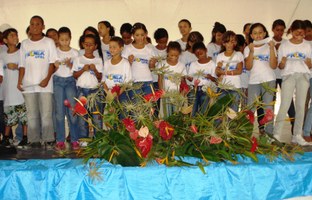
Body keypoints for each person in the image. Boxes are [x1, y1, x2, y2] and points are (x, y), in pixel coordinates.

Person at [17, 15, 57, 148]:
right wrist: (19, 81)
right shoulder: (24, 44)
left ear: (43, 26)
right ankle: (33, 140)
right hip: (28, 85)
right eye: (32, 24)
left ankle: (48, 139)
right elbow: (22, 65)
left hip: (45, 85)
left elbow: (53, 63)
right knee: (31, 115)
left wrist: (47, 79)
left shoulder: (49, 42)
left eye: (38, 24)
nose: (35, 27)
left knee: (46, 114)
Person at [274, 20, 312, 145]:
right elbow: (280, 66)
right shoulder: (285, 45)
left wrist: (308, 63)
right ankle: (277, 134)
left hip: (303, 76)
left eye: (302, 34)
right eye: (297, 33)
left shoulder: (307, 46)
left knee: (301, 106)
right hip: (288, 76)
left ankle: (297, 135)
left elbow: (310, 65)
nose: (300, 36)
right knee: (284, 104)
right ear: (291, 30)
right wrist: (283, 63)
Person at [244, 23, 277, 135]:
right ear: (251, 35)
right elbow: (248, 67)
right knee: (251, 109)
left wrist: (272, 49)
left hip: (269, 80)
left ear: (264, 33)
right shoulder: (248, 48)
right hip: (253, 81)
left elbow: (273, 66)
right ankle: (247, 134)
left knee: (268, 108)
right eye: (255, 33)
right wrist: (252, 52)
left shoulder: (270, 46)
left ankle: (269, 134)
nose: (258, 35)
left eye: (260, 32)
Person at [0, 28, 28, 148]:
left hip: (20, 90)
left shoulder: (21, 52)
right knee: (8, 116)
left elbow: (26, 68)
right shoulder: (2, 55)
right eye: (12, 36)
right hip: (7, 90)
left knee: (24, 116)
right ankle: (6, 138)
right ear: (5, 40)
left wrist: (16, 67)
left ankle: (26, 137)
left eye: (16, 35)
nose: (15, 37)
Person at [53, 27, 79, 150]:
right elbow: (50, 67)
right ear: (58, 39)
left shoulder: (75, 52)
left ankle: (75, 139)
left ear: (70, 39)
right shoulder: (55, 51)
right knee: (59, 112)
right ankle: (60, 140)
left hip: (70, 81)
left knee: (72, 111)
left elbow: (77, 69)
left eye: (66, 39)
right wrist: (55, 66)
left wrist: (71, 65)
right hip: (57, 81)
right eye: (62, 39)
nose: (64, 42)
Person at [72, 34, 103, 138]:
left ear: (95, 46)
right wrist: (82, 70)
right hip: (81, 90)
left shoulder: (98, 60)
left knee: (96, 116)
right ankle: (83, 138)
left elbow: (100, 77)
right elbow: (75, 75)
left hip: (95, 91)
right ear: (82, 45)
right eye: (86, 44)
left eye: (91, 44)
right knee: (82, 116)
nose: (88, 46)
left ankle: (98, 139)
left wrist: (95, 70)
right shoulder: (78, 59)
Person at [271, 19, 295, 134]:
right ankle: (267, 126)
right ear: (273, 30)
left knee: (289, 100)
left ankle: (294, 124)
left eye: (282, 30)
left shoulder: (287, 42)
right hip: (271, 75)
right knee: (271, 100)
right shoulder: (268, 42)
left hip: (285, 74)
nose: (279, 32)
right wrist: (275, 49)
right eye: (277, 30)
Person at [122, 22, 157, 98]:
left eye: (142, 35)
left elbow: (152, 69)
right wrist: (129, 62)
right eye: (137, 35)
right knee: (137, 107)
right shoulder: (128, 49)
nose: (140, 37)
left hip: (148, 82)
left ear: (146, 34)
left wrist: (152, 64)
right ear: (132, 35)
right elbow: (123, 68)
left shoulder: (150, 49)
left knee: (150, 107)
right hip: (134, 82)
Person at [101, 36, 132, 119]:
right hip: (109, 94)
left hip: (122, 94)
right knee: (112, 118)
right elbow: (103, 80)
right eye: (110, 47)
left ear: (121, 48)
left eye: (114, 47)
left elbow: (128, 82)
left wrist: (118, 93)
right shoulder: (107, 63)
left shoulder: (125, 63)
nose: (111, 49)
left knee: (123, 117)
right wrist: (108, 93)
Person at [215, 31, 243, 112]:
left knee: (233, 112)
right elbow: (217, 73)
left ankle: (231, 125)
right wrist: (218, 68)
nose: (230, 44)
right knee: (220, 112)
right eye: (227, 42)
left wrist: (224, 72)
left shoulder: (239, 55)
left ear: (235, 42)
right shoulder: (220, 56)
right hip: (222, 87)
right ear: (223, 43)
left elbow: (239, 71)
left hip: (235, 87)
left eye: (232, 41)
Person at [187, 42, 217, 116]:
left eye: (201, 53)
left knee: (204, 112)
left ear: (206, 50)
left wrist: (210, 77)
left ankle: (202, 126)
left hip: (206, 90)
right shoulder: (193, 64)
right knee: (192, 111)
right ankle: (192, 125)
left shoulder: (212, 64)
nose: (200, 56)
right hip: (195, 89)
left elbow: (216, 80)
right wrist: (189, 78)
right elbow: (190, 79)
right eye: (197, 54)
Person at [158, 41, 186, 117]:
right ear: (167, 52)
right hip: (165, 94)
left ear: (179, 54)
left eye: (176, 56)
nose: (174, 57)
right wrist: (161, 91)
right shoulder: (162, 64)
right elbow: (160, 79)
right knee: (166, 115)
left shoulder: (181, 66)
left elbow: (183, 81)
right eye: (171, 55)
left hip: (177, 94)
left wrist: (182, 93)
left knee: (176, 115)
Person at [153, 28, 169, 117]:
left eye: (165, 42)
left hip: (167, 81)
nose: (163, 45)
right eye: (160, 43)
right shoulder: (152, 50)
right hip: (155, 80)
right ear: (156, 40)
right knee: (156, 106)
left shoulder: (169, 50)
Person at [236, 34, 249, 109]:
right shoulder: (246, 57)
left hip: (243, 86)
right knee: (244, 109)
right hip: (240, 86)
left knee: (234, 109)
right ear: (244, 45)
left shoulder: (247, 57)